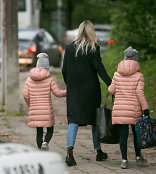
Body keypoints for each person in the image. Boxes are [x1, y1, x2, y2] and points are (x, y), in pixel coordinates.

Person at [62, 20, 112, 166]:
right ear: (91, 31)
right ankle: (98, 152)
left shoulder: (70, 48)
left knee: (73, 121)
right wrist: (111, 83)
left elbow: (64, 70)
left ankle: (69, 153)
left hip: (74, 90)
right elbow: (99, 68)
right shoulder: (93, 47)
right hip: (91, 90)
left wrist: (69, 85)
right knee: (94, 121)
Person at [108, 46, 149, 169]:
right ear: (136, 60)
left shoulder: (117, 74)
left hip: (120, 109)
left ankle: (124, 160)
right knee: (136, 133)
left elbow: (111, 90)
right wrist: (145, 108)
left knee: (123, 134)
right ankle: (138, 157)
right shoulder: (139, 76)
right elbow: (139, 93)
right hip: (134, 109)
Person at [23, 53, 66, 150]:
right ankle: (45, 142)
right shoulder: (49, 78)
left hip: (35, 110)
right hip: (46, 110)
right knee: (50, 129)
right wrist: (68, 92)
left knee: (39, 132)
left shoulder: (29, 79)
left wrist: (31, 105)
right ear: (47, 66)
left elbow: (25, 94)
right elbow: (58, 93)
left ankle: (40, 150)